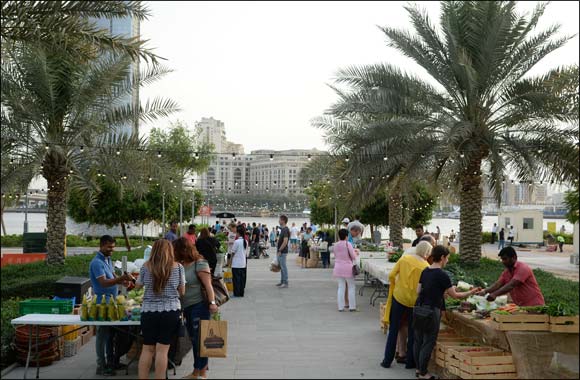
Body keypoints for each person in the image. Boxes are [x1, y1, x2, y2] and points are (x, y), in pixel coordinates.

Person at [413, 245, 481, 379]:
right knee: (428, 341)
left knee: (418, 340)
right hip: (432, 311)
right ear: (442, 257)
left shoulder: (425, 271)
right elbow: (455, 295)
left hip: (419, 308)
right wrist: (471, 291)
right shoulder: (443, 275)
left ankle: (418, 369)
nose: (447, 261)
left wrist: (440, 292)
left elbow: (418, 291)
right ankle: (423, 373)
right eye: (447, 258)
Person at [135, 239, 185, 380]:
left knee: (147, 349)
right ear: (170, 251)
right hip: (170, 311)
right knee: (162, 351)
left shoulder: (146, 267)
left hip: (149, 311)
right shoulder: (178, 267)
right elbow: (182, 291)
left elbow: (138, 286)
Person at [381, 241, 432, 370]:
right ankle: (410, 362)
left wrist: (397, 284)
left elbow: (392, 275)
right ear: (426, 253)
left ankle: (387, 361)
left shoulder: (404, 259)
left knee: (394, 329)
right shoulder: (425, 266)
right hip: (414, 302)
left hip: (399, 297)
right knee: (412, 332)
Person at [173, 238, 218, 380]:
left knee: (200, 341)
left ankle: (201, 373)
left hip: (199, 305)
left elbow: (208, 285)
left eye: (175, 250)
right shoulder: (181, 264)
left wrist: (212, 302)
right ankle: (197, 371)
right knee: (194, 340)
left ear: (183, 250)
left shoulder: (200, 263)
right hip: (187, 307)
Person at [89, 235, 133, 376]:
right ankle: (100, 365)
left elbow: (113, 278)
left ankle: (111, 362)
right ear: (101, 246)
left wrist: (123, 282)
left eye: (113, 247)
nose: (111, 250)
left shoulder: (107, 260)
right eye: (109, 247)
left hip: (111, 301)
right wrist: (121, 279)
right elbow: (103, 282)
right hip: (102, 303)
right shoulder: (96, 263)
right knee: (102, 335)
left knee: (110, 334)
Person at [478, 246, 544, 306]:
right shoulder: (507, 271)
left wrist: (495, 294)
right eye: (502, 259)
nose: (503, 262)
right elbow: (497, 284)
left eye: (505, 259)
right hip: (522, 306)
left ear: (514, 257)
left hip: (534, 305)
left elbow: (511, 285)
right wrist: (485, 291)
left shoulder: (523, 268)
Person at [333, 229, 358, 312]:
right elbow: (353, 256)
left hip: (338, 267)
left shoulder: (335, 245)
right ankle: (352, 306)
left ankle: (340, 307)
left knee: (341, 287)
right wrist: (356, 252)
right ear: (346, 236)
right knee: (351, 287)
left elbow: (336, 255)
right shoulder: (348, 244)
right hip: (348, 268)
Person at [231, 225, 248, 297]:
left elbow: (233, 252)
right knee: (241, 279)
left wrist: (230, 261)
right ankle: (241, 293)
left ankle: (236, 293)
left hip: (236, 264)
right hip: (243, 263)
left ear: (238, 233)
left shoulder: (237, 242)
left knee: (236, 279)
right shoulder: (245, 241)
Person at [276, 215, 290, 288]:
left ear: (283, 221)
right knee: (281, 267)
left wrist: (280, 250)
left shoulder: (285, 229)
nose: (279, 221)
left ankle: (285, 282)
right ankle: (282, 281)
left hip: (282, 251)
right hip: (281, 251)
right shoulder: (283, 229)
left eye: (280, 219)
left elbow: (285, 242)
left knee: (283, 267)